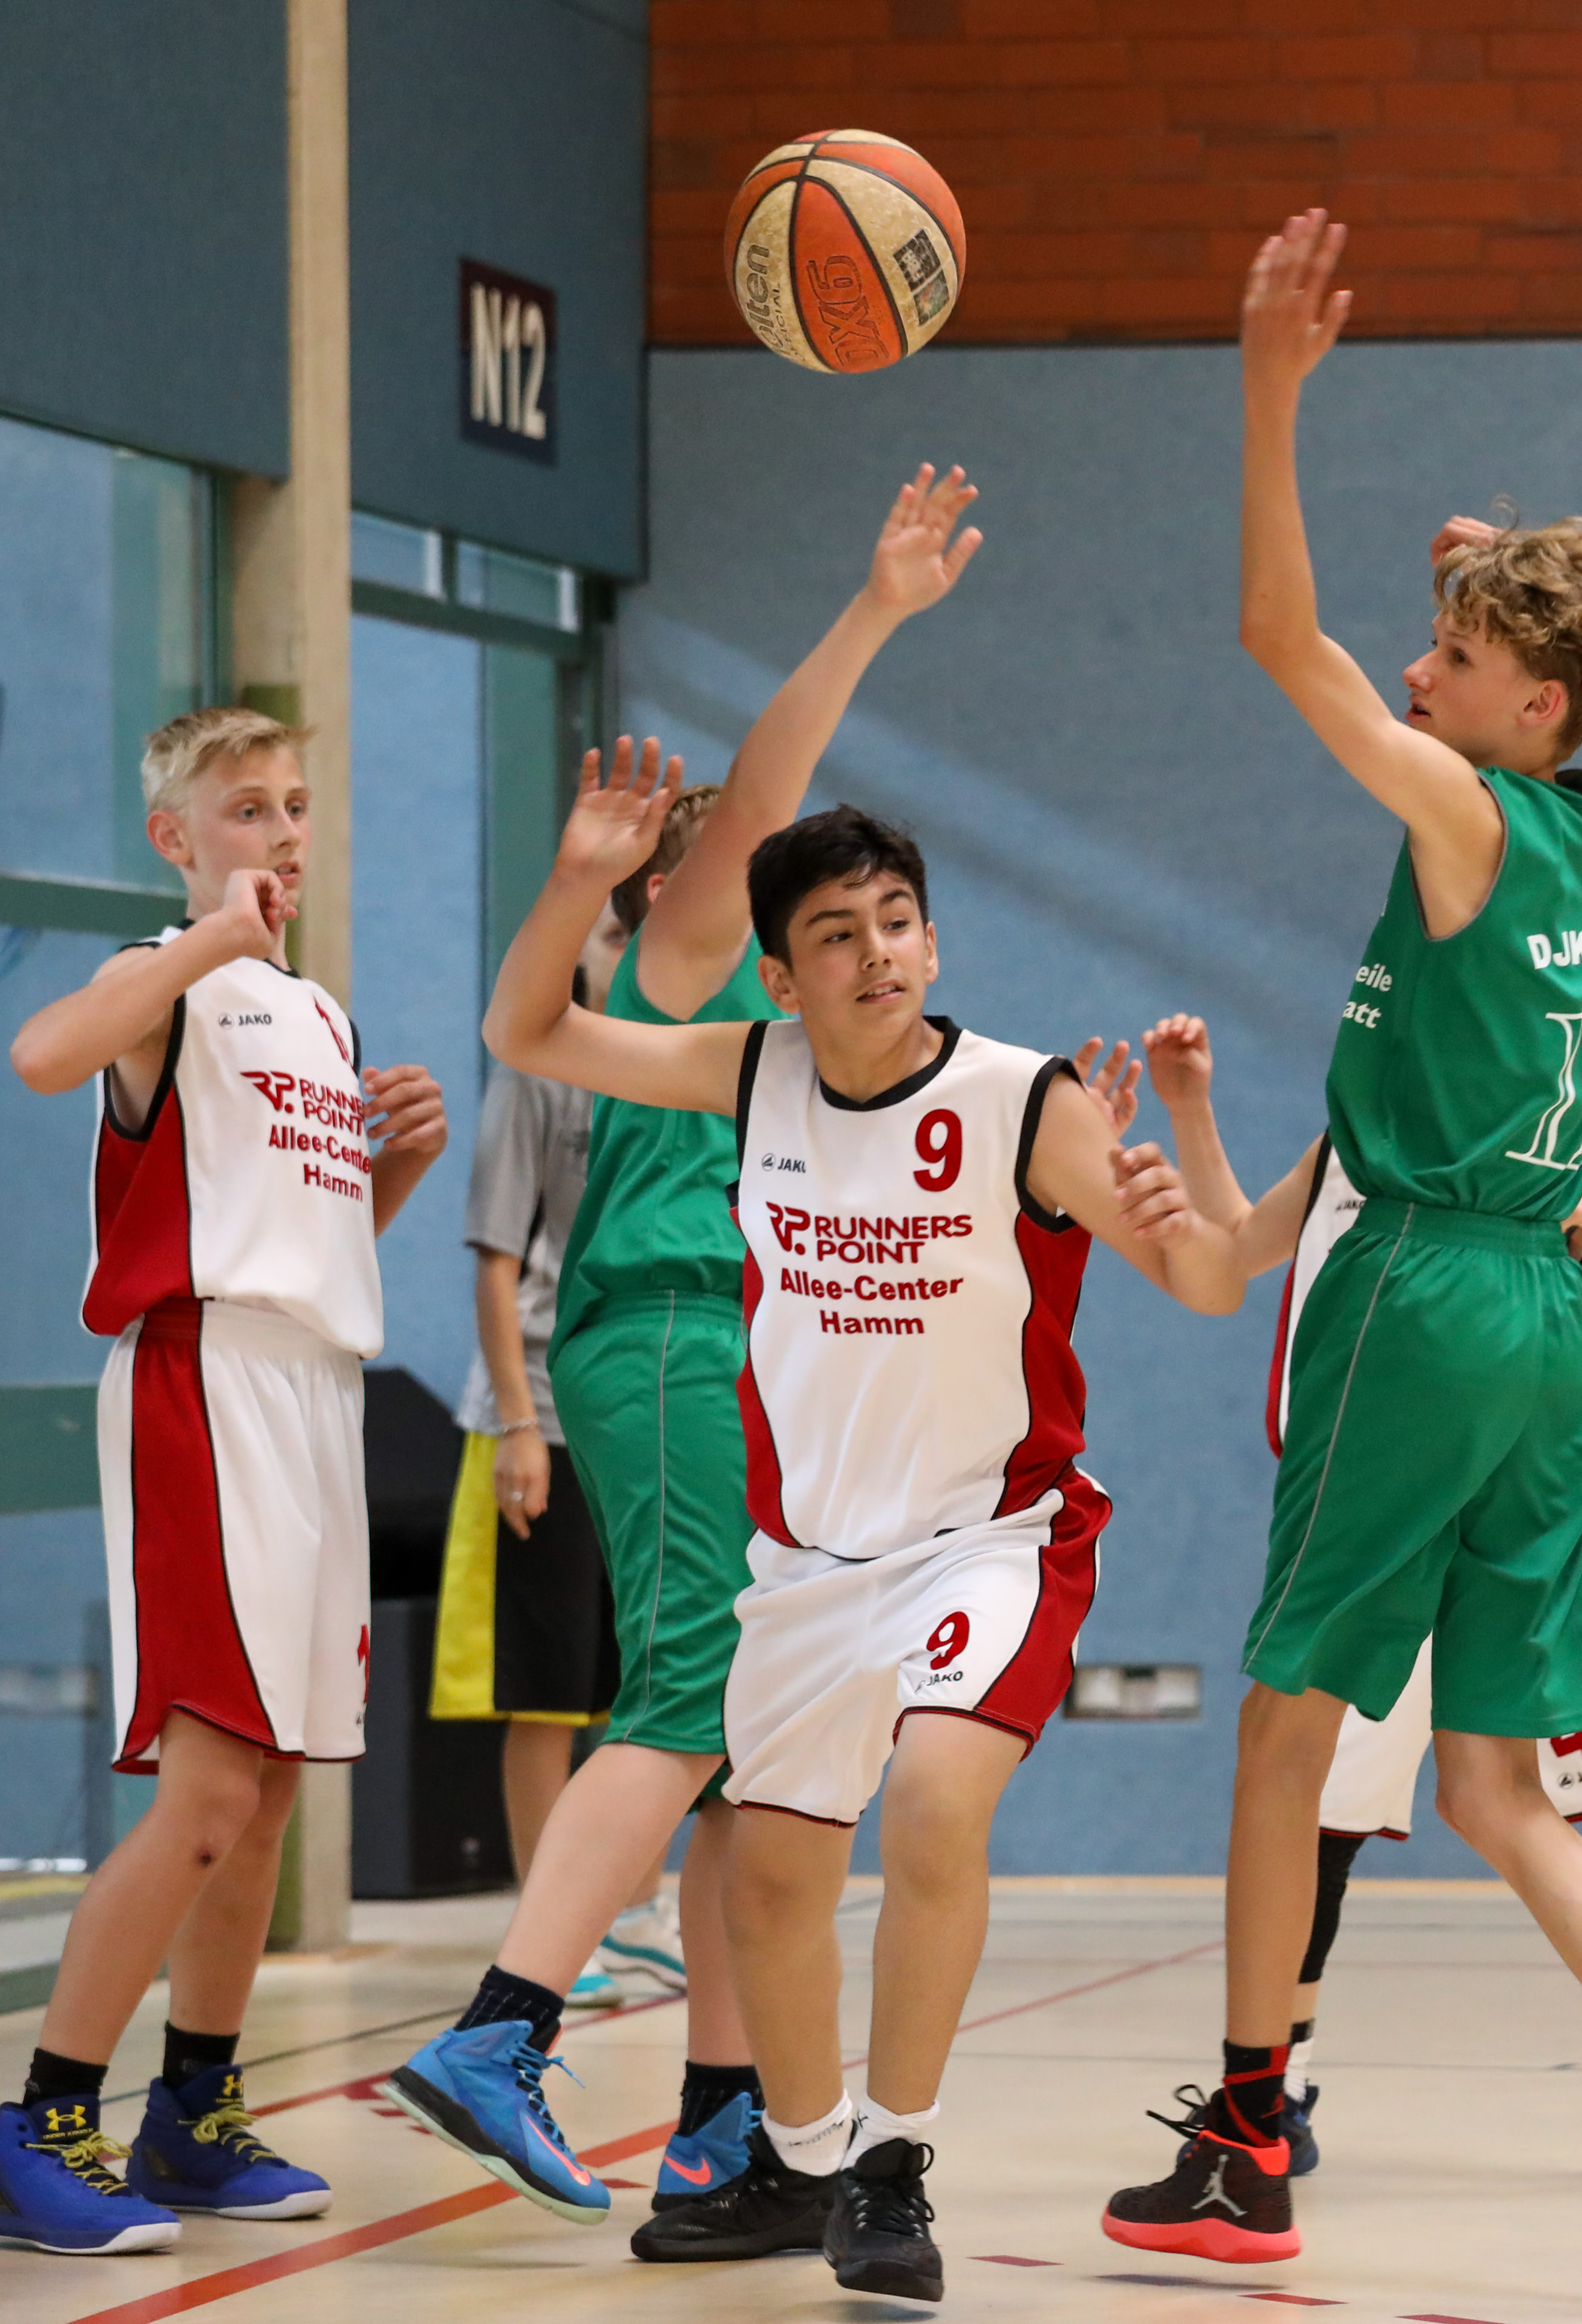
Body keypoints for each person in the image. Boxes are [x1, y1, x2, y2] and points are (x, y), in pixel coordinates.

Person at [1102, 212, 1582, 2295]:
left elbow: (1273, 637)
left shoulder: (1475, 819)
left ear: (1529, 705)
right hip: (1551, 1327)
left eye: (1458, 661)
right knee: (1494, 1779)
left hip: (1418, 1289)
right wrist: (1509, 586)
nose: (1419, 674)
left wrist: (1268, 391)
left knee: (1284, 1729)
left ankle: (1246, 2138)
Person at [471, 759, 1243, 2301]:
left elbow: (1211, 1283)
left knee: (940, 1800)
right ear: (780, 974)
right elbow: (528, 1032)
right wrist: (576, 881)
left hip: (993, 1535)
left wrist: (1186, 1166)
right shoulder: (749, 1072)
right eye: (835, 932)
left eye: (896, 920)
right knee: (770, 1882)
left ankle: (892, 2169)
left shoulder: (1023, 1100)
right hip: (811, 1563)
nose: (876, 950)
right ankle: (804, 2157)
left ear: (933, 943)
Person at [384, 469, 987, 2228]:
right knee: (681, 1701)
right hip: (665, 1334)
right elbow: (772, 783)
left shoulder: (816, 1036)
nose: (851, 931)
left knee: (756, 1746)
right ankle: (502, 2029)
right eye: (790, 885)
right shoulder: (699, 953)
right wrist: (876, 607)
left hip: (750, 1362)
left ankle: (732, 2119)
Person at [1147, 1011, 1582, 2186]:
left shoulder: (1532, 1169)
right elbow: (1234, 1252)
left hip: (1515, 1532)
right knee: (1319, 1814)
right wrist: (1189, 1110)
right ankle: (1278, 2081)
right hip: (1363, 1535)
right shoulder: (1350, 1146)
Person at [0, 706, 448, 2255]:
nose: (281, 831)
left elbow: (307, 1246)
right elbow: (40, 1054)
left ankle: (194, 2113)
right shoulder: (162, 980)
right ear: (177, 838)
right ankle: (37, 2129)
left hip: (313, 1386)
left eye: (294, 804)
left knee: (274, 1786)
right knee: (209, 1787)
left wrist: (396, 1167)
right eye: (245, 808)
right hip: (202, 1382)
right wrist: (204, 942)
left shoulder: (319, 1016)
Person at [432, 898, 678, 2007]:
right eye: (614, 933)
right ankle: (545, 1933)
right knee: (546, 1691)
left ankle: (636, 1914)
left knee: (650, 1682)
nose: (629, 954)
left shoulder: (686, 1072)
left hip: (648, 1420)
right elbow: (496, 1263)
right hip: (544, 1413)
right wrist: (519, 1424)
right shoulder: (537, 1069)